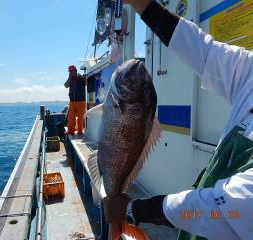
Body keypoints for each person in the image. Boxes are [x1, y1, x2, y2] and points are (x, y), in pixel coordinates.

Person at [104, 1, 253, 240]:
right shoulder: (249, 72)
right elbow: (202, 50)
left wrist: (134, 209)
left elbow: (230, 210)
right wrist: (143, 4)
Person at [64, 65, 87, 134]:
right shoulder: (70, 79)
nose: (70, 73)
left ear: (75, 70)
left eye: (71, 71)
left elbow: (86, 84)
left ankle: (80, 131)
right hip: (72, 102)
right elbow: (66, 85)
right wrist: (69, 77)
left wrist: (85, 78)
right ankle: (71, 130)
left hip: (81, 101)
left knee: (80, 117)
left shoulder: (81, 77)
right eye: (69, 71)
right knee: (71, 117)